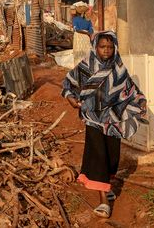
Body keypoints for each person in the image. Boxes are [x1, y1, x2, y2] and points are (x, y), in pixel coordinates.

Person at [62, 31, 147, 219]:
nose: (106, 50)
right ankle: (103, 200)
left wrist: (140, 102)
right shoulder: (86, 66)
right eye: (102, 46)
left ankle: (107, 184)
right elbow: (68, 83)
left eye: (110, 47)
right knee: (99, 155)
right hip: (92, 117)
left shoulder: (119, 69)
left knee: (112, 156)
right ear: (96, 47)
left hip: (113, 120)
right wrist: (70, 98)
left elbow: (132, 91)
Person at [71, 2, 93, 66]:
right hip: (86, 38)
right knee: (86, 52)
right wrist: (88, 33)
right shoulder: (89, 20)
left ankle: (78, 67)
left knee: (78, 53)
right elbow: (91, 30)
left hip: (78, 37)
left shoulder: (75, 19)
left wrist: (85, 32)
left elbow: (76, 29)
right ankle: (86, 66)